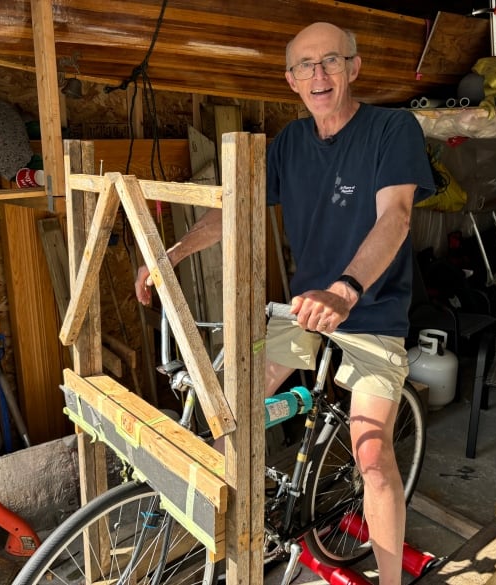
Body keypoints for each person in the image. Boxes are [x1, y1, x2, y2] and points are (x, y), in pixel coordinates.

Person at [135, 22, 434, 585]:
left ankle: (391, 580)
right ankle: (247, 528)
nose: (318, 75)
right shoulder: (291, 143)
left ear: (354, 66)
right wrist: (171, 253)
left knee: (371, 455)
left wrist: (347, 289)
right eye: (305, 66)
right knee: (229, 409)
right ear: (290, 79)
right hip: (303, 311)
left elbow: (395, 217)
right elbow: (233, 210)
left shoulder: (393, 129)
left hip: (369, 312)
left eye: (330, 61)